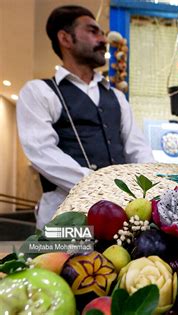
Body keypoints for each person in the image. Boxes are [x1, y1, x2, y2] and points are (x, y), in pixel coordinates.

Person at [16, 6, 155, 229]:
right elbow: (41, 151)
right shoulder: (38, 91)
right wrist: (99, 186)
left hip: (120, 218)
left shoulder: (117, 97)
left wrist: (153, 188)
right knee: (59, 264)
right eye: (93, 31)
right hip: (62, 220)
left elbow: (138, 149)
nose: (103, 39)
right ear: (65, 39)